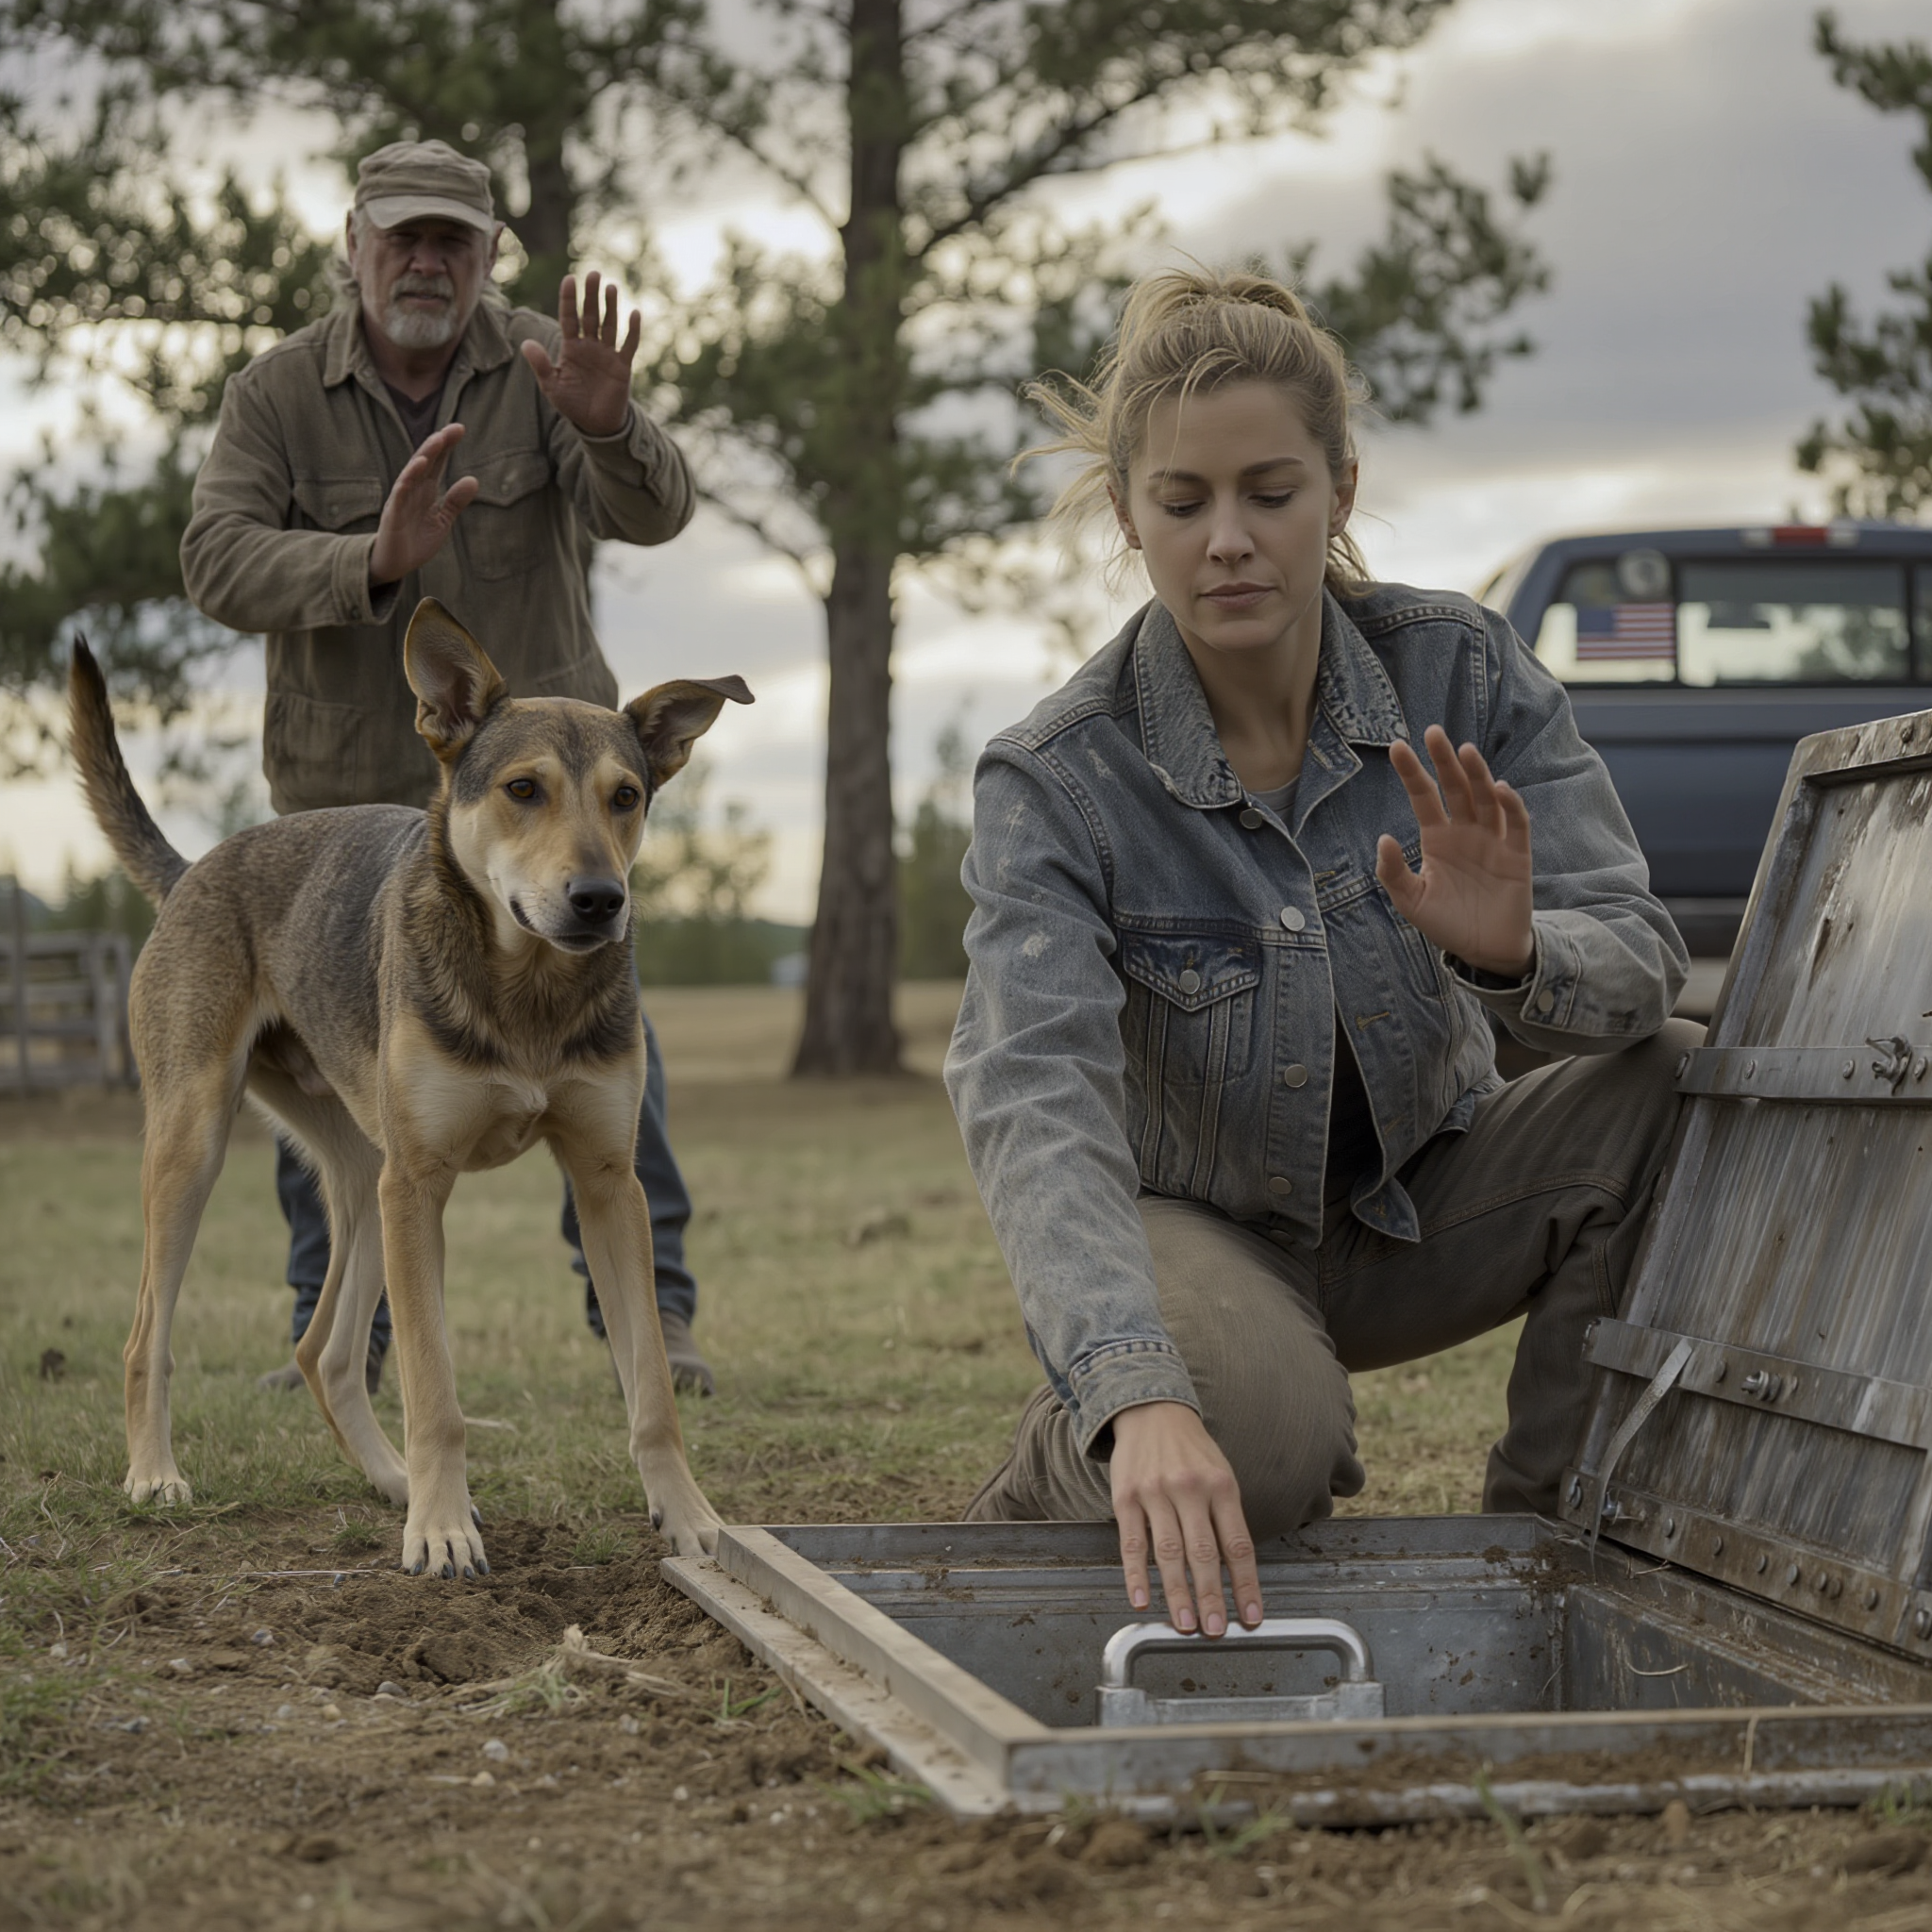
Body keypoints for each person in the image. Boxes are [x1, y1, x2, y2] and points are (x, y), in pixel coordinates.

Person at [943, 267, 1697, 1641]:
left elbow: (1643, 960)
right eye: (1184, 504)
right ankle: (1085, 1459)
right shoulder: (1056, 777)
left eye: (1270, 493)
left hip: (1431, 1193)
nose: (1229, 539)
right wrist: (1139, 1385)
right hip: (1203, 1226)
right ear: (1130, 516)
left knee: (1679, 1086)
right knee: (1253, 1451)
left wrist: (1517, 951)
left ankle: (1545, 1544)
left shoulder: (1462, 674)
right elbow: (1028, 1096)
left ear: (1340, 491)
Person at [180, 138, 716, 1397]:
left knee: (604, 1036)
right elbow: (214, 559)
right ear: (353, 245)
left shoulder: (544, 363)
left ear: (486, 260)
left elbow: (660, 512)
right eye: (404, 235)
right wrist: (367, 559)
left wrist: (614, 426)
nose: (427, 259)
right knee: (335, 1067)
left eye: (454, 241)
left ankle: (658, 1317)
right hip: (339, 805)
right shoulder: (274, 394)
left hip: (542, 804)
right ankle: (340, 1333)